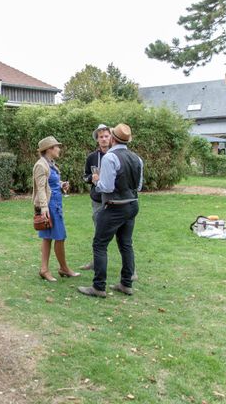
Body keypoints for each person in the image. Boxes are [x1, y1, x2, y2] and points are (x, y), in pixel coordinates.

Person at [78, 124, 143, 298]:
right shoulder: (137, 158)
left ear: (113, 139)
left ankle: (99, 287)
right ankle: (126, 283)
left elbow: (106, 187)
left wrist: (97, 181)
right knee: (126, 243)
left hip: (114, 206)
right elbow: (139, 186)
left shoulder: (110, 158)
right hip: (132, 205)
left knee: (99, 245)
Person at [32, 136, 79, 282]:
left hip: (56, 204)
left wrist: (61, 184)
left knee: (47, 237)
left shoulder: (50, 164)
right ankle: (63, 268)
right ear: (49, 149)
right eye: (56, 146)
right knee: (60, 237)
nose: (59, 149)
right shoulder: (41, 165)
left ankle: (44, 269)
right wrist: (44, 208)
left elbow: (50, 184)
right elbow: (40, 188)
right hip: (50, 206)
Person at [79, 124, 111, 271]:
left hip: (114, 200)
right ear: (97, 140)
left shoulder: (117, 156)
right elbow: (84, 177)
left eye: (106, 136)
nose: (104, 139)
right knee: (98, 233)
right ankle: (96, 262)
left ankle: (130, 269)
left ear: (111, 138)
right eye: (101, 137)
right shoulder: (92, 157)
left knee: (121, 236)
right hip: (97, 200)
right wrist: (91, 177)